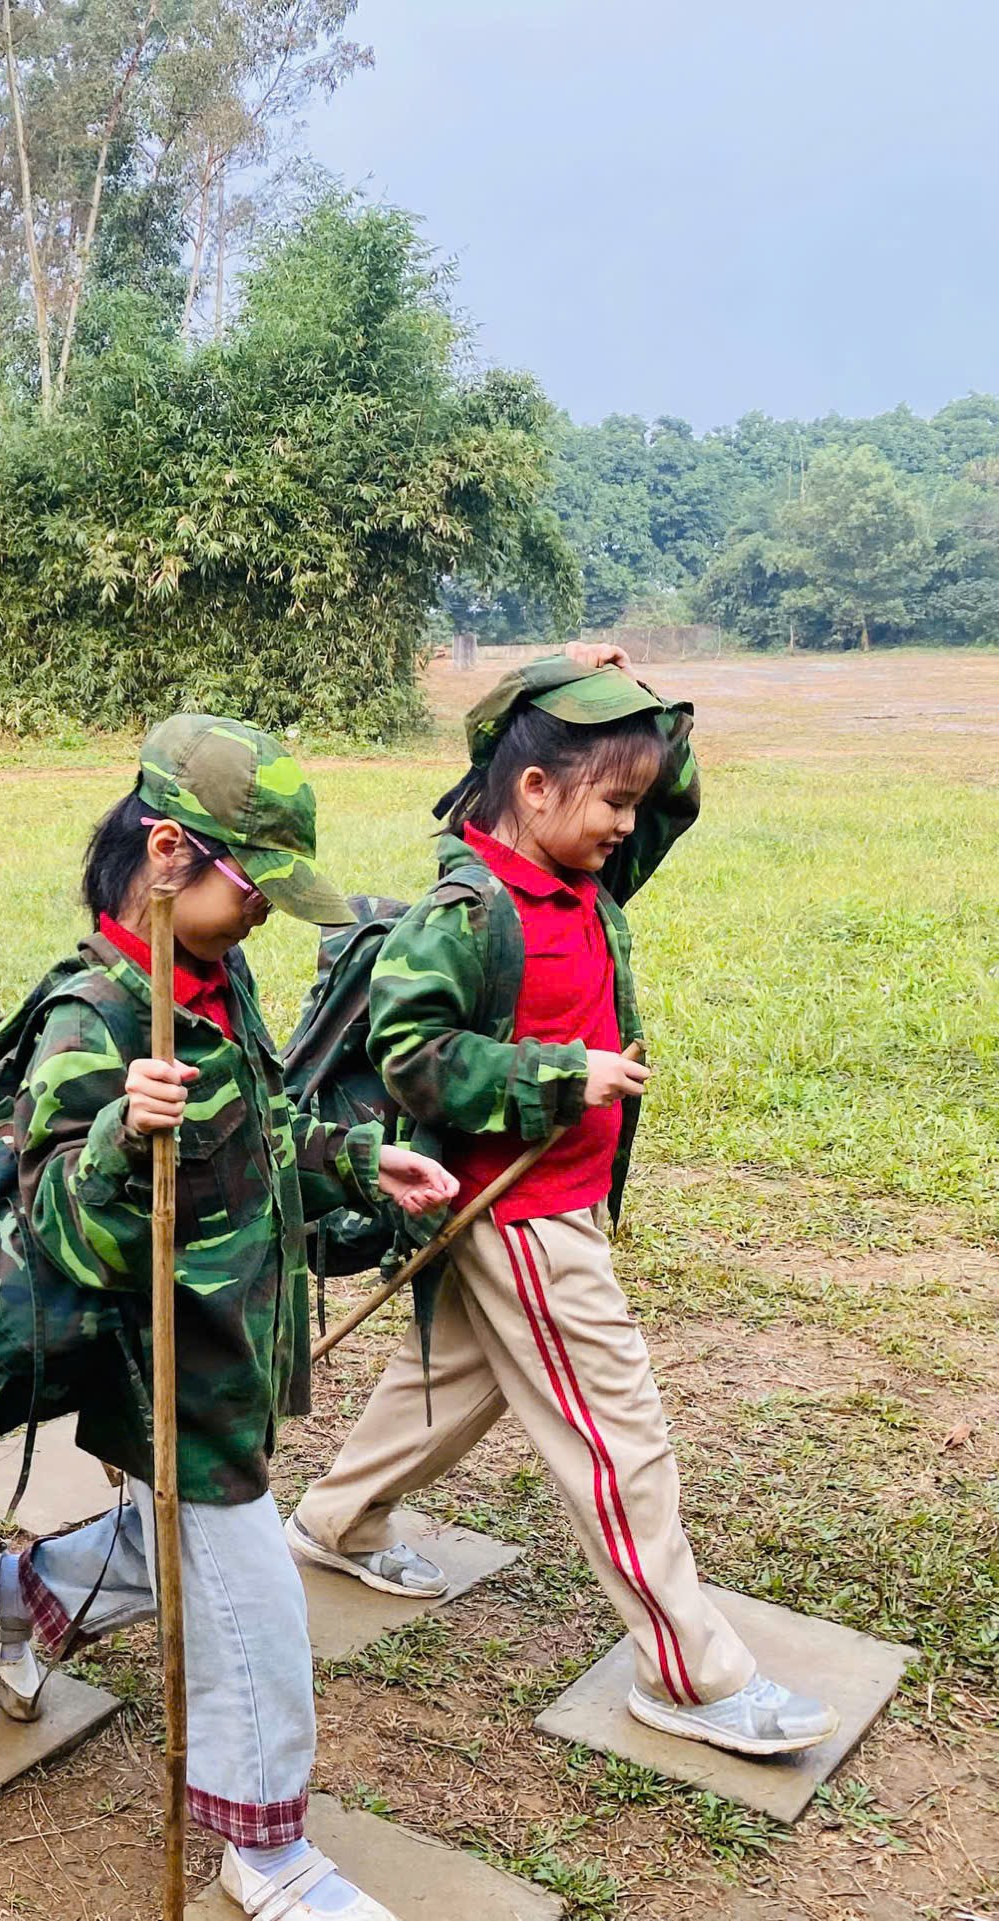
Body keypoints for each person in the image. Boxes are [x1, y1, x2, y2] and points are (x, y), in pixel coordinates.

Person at [289, 645, 842, 1760]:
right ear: (531, 788)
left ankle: (333, 1521)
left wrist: (616, 696)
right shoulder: (460, 909)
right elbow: (410, 1055)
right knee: (614, 1429)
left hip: (563, 1196)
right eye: (611, 799)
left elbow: (672, 795)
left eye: (633, 803)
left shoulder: (584, 872)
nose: (627, 825)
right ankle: (685, 1672)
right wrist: (557, 1073)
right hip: (515, 1208)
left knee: (452, 1385)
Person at [0, 718, 458, 1921]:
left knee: (169, 1552)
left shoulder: (212, 974)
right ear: (170, 851)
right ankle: (265, 1846)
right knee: (254, 1594)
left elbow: (262, 1122)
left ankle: (9, 1591)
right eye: (254, 888)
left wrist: (353, 1157)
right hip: (165, 1364)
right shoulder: (95, 1016)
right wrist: (117, 1137)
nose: (262, 917)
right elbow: (63, 1235)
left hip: (238, 1342)